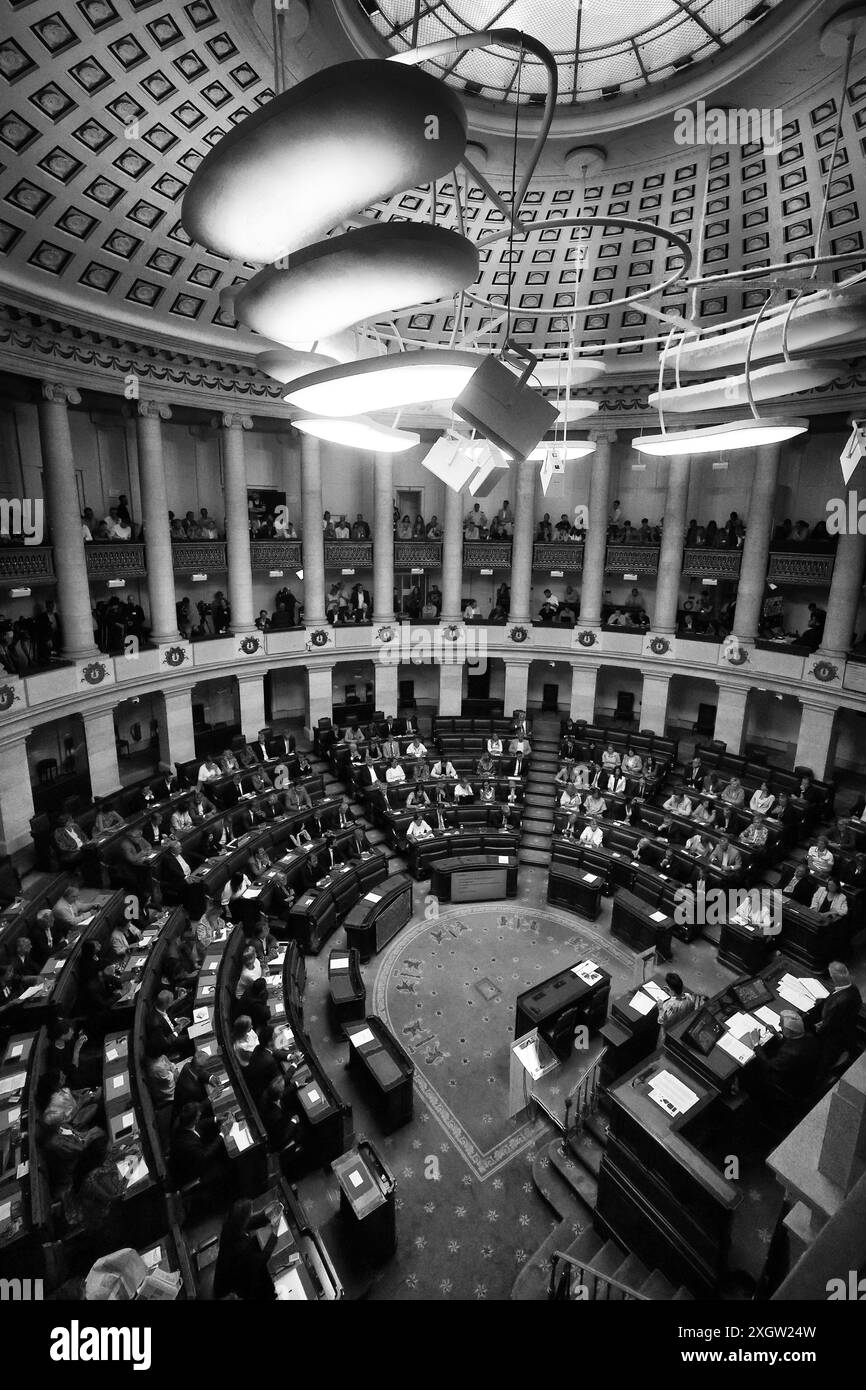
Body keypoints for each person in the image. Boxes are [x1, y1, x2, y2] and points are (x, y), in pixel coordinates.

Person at [213, 1198, 279, 1301]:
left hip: (226, 1270)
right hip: (229, 1287)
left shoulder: (229, 1225)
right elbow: (260, 1260)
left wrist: (266, 1216)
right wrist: (273, 1236)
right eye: (250, 1214)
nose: (251, 1214)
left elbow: (249, 1222)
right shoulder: (240, 1247)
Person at [170, 1101, 230, 1187]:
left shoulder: (182, 1122)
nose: (200, 1114)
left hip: (192, 1154)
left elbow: (198, 1125)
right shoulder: (189, 1144)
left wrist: (216, 1119)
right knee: (225, 1166)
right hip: (192, 1170)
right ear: (194, 1120)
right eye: (198, 1115)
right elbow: (204, 1155)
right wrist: (222, 1135)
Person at [815, 962, 862, 1066]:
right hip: (849, 1025)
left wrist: (821, 1027)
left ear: (833, 978)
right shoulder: (853, 988)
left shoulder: (836, 1004)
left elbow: (829, 1024)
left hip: (836, 1037)